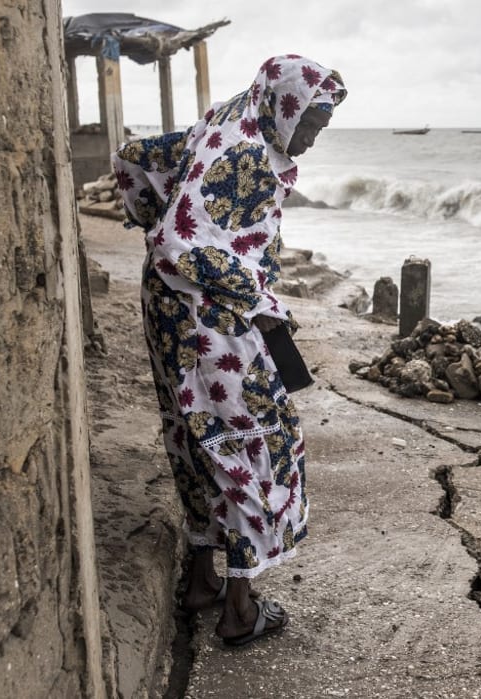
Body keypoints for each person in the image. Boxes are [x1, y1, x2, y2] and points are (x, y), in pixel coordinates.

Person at [112, 55, 346, 645]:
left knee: (197, 438)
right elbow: (174, 242)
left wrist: (146, 211)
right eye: (313, 122)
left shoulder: (231, 121)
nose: (315, 138)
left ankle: (201, 581)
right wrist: (260, 298)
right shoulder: (241, 154)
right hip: (206, 315)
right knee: (257, 442)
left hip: (172, 310)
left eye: (322, 124)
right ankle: (240, 610)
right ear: (286, 105)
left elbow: (137, 157)